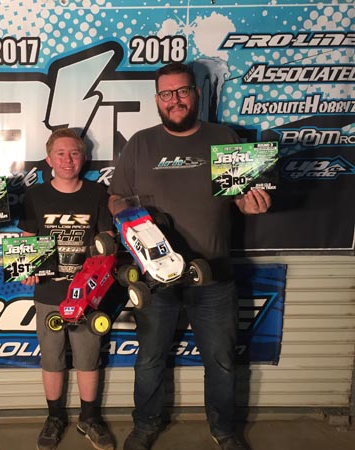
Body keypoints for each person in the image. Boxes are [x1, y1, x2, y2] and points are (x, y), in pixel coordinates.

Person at [108, 62, 271, 450]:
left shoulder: (224, 137)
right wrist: (127, 217)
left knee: (221, 360)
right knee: (150, 358)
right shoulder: (140, 144)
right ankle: (145, 424)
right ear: (157, 100)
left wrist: (252, 205)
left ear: (196, 94)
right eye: (167, 94)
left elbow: (240, 198)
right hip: (156, 278)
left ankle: (224, 429)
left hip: (213, 275)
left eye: (182, 91)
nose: (175, 100)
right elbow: (115, 196)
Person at [18, 128, 116, 450]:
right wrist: (27, 267)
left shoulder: (97, 194)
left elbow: (107, 242)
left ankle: (89, 418)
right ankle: (55, 417)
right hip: (49, 294)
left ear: (83, 158)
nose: (67, 159)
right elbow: (26, 240)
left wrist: (100, 267)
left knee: (88, 359)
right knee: (52, 360)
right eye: (60, 153)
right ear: (49, 160)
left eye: (74, 153)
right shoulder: (35, 196)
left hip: (87, 295)